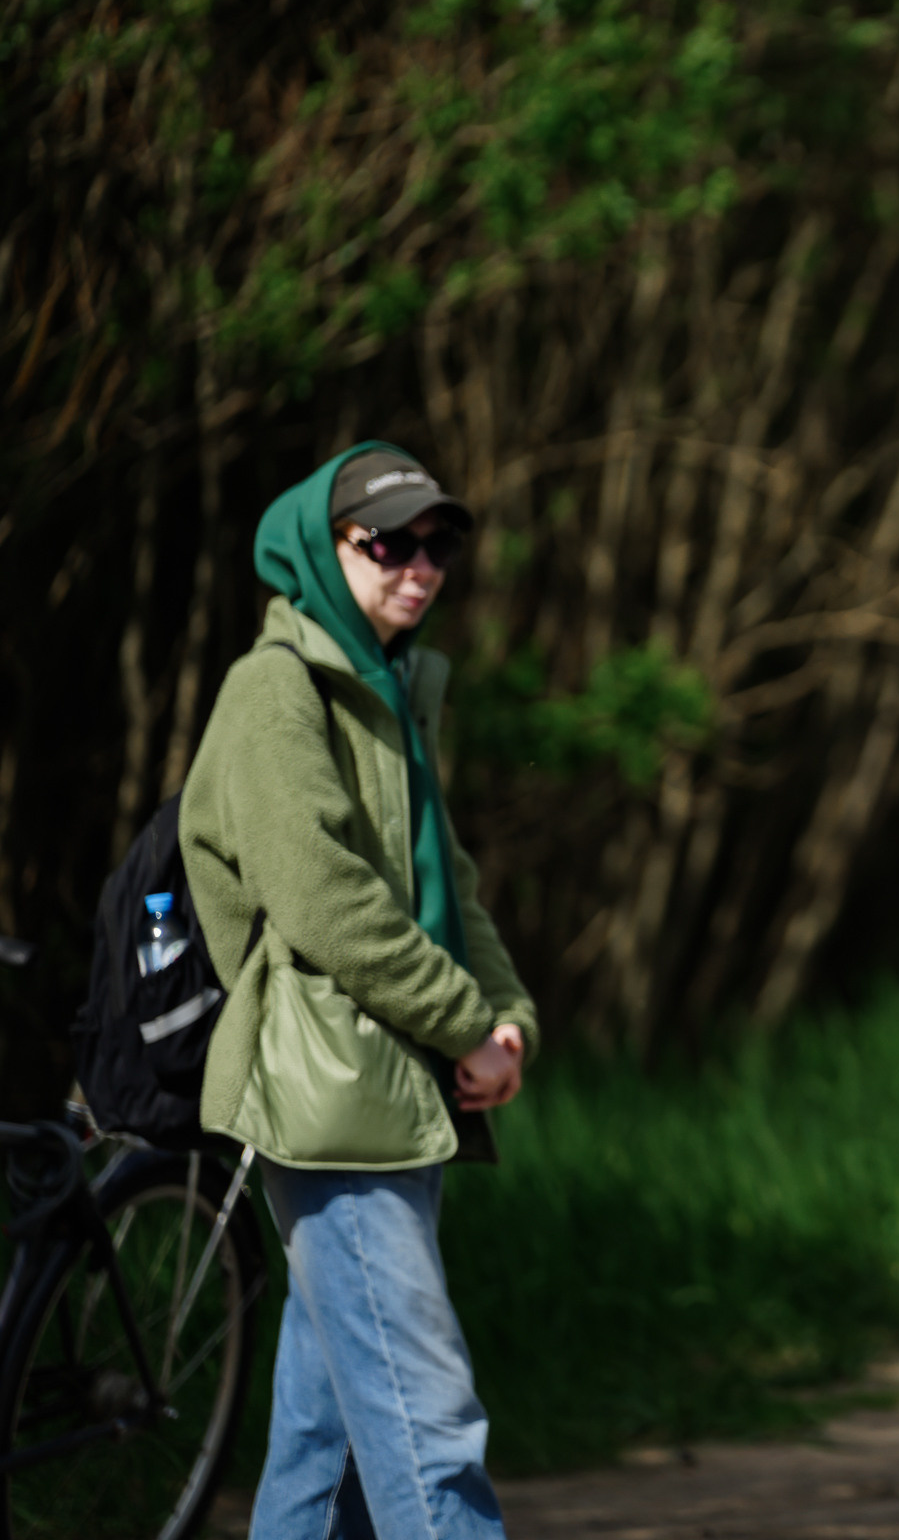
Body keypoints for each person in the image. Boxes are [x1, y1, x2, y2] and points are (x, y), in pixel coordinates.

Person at [181, 443, 537, 1540]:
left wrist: (508, 1017)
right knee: (428, 1424)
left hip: (399, 1087)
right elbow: (320, 896)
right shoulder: (274, 689)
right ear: (323, 552)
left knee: (322, 1430)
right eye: (387, 541)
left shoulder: (394, 686)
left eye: (436, 542)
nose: (418, 563)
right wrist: (462, 1018)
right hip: (329, 1093)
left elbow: (448, 883)